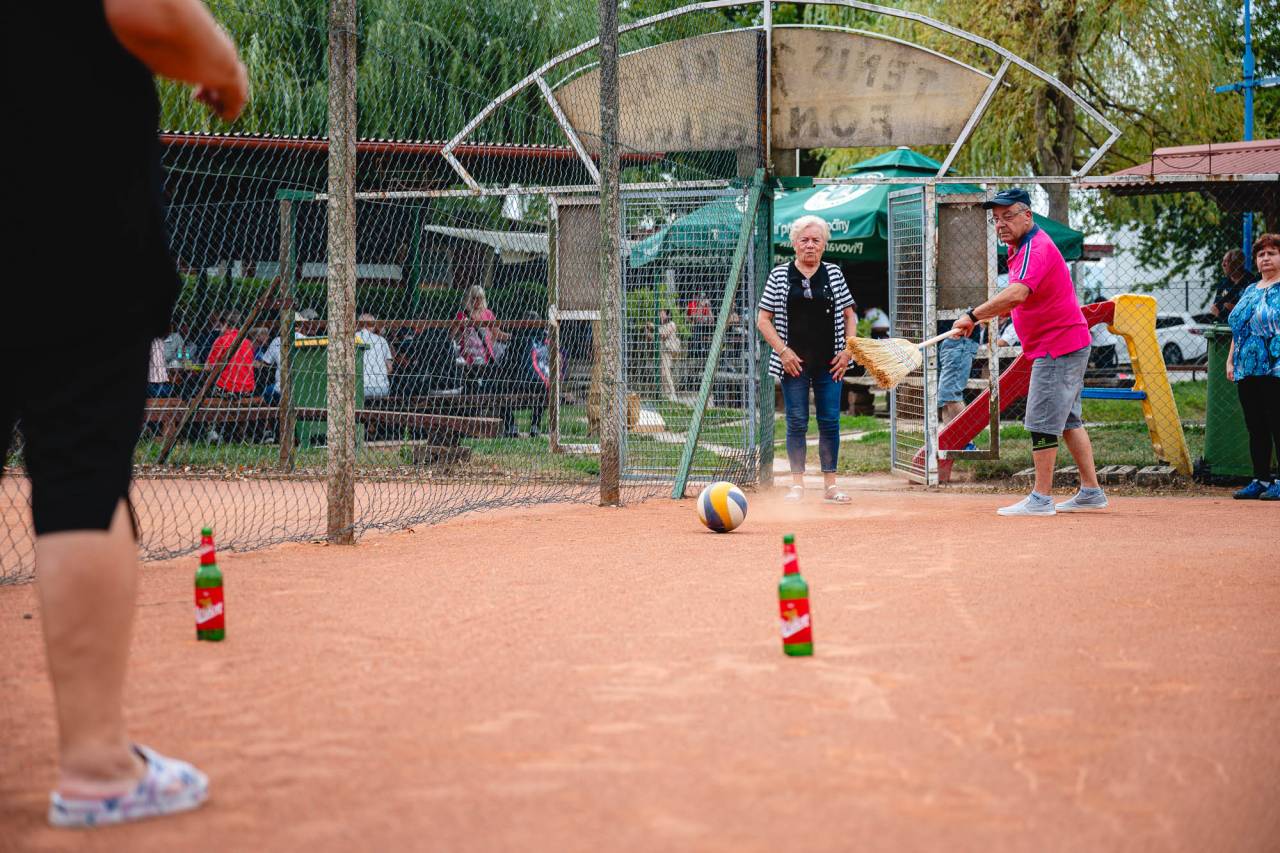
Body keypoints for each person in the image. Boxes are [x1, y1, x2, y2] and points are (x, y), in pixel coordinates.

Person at [3, 0, 247, 829]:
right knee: (81, 471)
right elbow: (147, 12)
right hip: (61, 194)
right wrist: (223, 66)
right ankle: (98, 763)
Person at [952, 188, 1106, 516]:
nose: (1001, 224)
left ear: (1027, 216)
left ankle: (1041, 498)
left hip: (1058, 346)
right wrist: (985, 316)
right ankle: (1091, 492)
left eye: (1008, 216)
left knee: (1042, 421)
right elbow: (1022, 298)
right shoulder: (1020, 248)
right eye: (996, 219)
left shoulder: (1035, 248)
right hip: (1064, 343)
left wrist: (972, 315)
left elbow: (1017, 294)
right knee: (1068, 420)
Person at [757, 215, 857, 504]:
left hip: (830, 362)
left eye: (816, 240)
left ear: (824, 245)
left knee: (830, 420)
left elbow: (850, 315)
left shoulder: (834, 273)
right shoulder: (779, 275)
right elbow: (763, 319)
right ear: (794, 244)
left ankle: (831, 485)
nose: (810, 245)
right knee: (797, 421)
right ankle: (797, 485)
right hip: (794, 363)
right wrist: (783, 351)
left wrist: (848, 350)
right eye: (804, 240)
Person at [1225, 233, 1280, 500]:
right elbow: (1240, 328)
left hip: (1275, 366)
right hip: (1247, 367)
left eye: (1272, 253)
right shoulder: (1250, 290)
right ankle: (1261, 479)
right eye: (1261, 254)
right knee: (1256, 425)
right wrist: (1231, 360)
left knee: (1277, 422)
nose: (1265, 258)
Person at [258, 308, 318, 405]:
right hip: (307, 388)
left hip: (281, 388)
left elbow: (265, 363)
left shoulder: (277, 341)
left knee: (267, 392)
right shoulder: (310, 342)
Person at [453, 285, 509, 366]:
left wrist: (511, 337)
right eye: (475, 298)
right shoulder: (462, 315)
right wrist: (461, 325)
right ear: (469, 299)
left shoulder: (488, 313)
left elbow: (497, 334)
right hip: (468, 354)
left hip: (486, 353)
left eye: (481, 298)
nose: (479, 301)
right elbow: (452, 336)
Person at [205, 310, 255, 396]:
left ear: (224, 323)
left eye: (220, 325)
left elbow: (208, 367)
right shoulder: (247, 342)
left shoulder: (221, 340)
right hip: (247, 390)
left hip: (226, 388)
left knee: (205, 388)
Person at [1210, 248, 1258, 319]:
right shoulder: (1223, 283)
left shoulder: (1251, 282)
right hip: (1222, 322)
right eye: (1223, 261)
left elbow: (1253, 309)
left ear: (1237, 264)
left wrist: (1233, 308)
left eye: (1227, 261)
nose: (1223, 264)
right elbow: (1215, 307)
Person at [357, 313, 393, 400]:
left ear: (358, 324)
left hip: (360, 388)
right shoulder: (382, 340)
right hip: (382, 388)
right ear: (373, 325)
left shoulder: (351, 339)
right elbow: (390, 368)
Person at [656, 308, 682, 401]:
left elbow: (664, 335)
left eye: (663, 314)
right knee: (663, 373)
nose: (661, 315)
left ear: (667, 315)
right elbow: (655, 337)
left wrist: (654, 328)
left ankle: (672, 393)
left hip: (669, 351)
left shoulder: (671, 324)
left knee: (666, 372)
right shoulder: (660, 326)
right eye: (660, 314)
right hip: (663, 351)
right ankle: (666, 394)